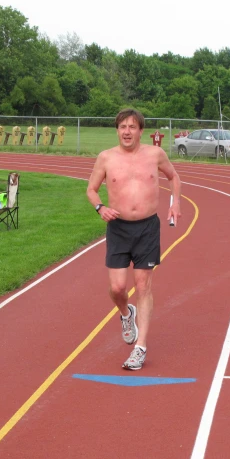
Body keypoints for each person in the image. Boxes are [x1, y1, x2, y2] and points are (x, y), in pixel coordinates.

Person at [86, 108, 181, 371]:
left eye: (132, 127)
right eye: (122, 127)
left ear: (141, 130)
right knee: (117, 289)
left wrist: (175, 204)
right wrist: (100, 208)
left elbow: (173, 176)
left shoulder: (155, 154)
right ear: (117, 130)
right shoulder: (106, 158)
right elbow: (91, 189)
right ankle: (127, 314)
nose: (127, 131)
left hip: (147, 229)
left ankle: (140, 347)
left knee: (143, 287)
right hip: (118, 228)